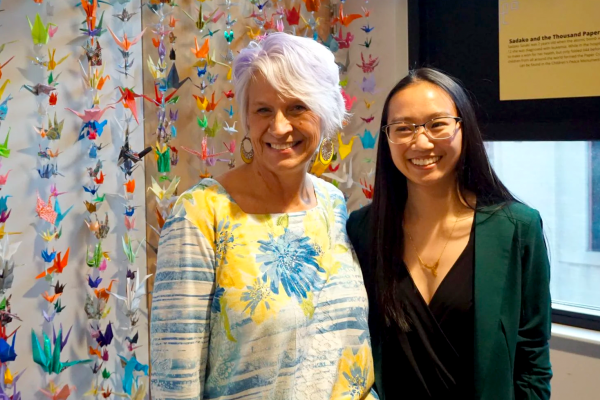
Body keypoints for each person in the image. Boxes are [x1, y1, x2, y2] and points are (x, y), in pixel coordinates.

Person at [150, 32, 378, 400]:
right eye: (263, 110)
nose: (280, 127)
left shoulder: (332, 204)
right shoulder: (201, 214)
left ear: (326, 112)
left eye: (297, 107)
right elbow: (173, 383)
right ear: (246, 118)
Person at [347, 68, 552, 399]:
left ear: (463, 127)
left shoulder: (517, 228)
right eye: (403, 128)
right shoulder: (363, 229)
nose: (421, 141)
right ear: (387, 138)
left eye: (437, 124)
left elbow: (532, 360)